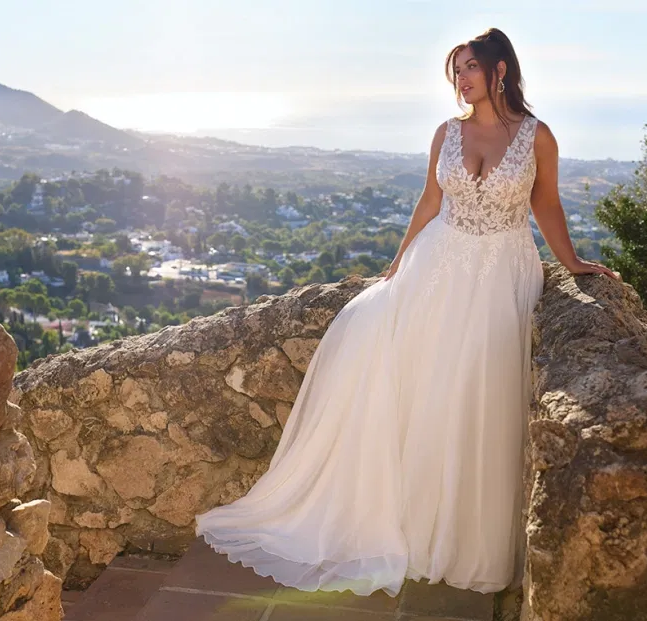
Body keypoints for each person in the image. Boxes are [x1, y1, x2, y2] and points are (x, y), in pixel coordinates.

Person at [194, 27, 618, 599]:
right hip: (436, 266)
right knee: (414, 385)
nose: (461, 80)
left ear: (499, 70)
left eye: (469, 68)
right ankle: (400, 525)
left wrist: (572, 261)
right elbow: (431, 199)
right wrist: (398, 262)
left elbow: (546, 203)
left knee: (473, 397)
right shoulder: (447, 131)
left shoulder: (538, 137)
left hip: (500, 275)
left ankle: (452, 538)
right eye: (455, 71)